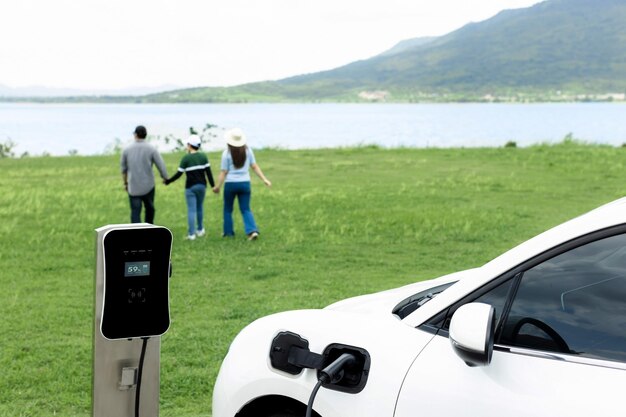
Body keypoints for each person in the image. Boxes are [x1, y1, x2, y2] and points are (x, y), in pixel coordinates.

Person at [212, 128, 271, 240]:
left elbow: (224, 172)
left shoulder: (226, 154)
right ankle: (252, 231)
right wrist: (264, 179)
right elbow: (254, 166)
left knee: (228, 209)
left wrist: (217, 187)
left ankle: (228, 233)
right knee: (245, 209)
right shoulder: (248, 151)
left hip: (230, 184)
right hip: (245, 183)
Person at [164, 135, 215, 240]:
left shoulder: (186, 158)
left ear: (190, 145)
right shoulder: (203, 157)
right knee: (200, 207)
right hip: (202, 186)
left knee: (192, 210)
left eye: (187, 144)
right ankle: (200, 230)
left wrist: (168, 181)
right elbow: (208, 173)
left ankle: (191, 234)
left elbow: (179, 174)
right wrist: (213, 186)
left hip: (190, 188)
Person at [120, 125, 168, 224]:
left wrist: (125, 183)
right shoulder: (151, 148)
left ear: (135, 135)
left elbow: (124, 169)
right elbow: (160, 165)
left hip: (133, 187)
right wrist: (165, 177)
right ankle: (148, 228)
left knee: (135, 211)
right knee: (150, 209)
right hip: (148, 186)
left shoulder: (127, 150)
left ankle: (136, 233)